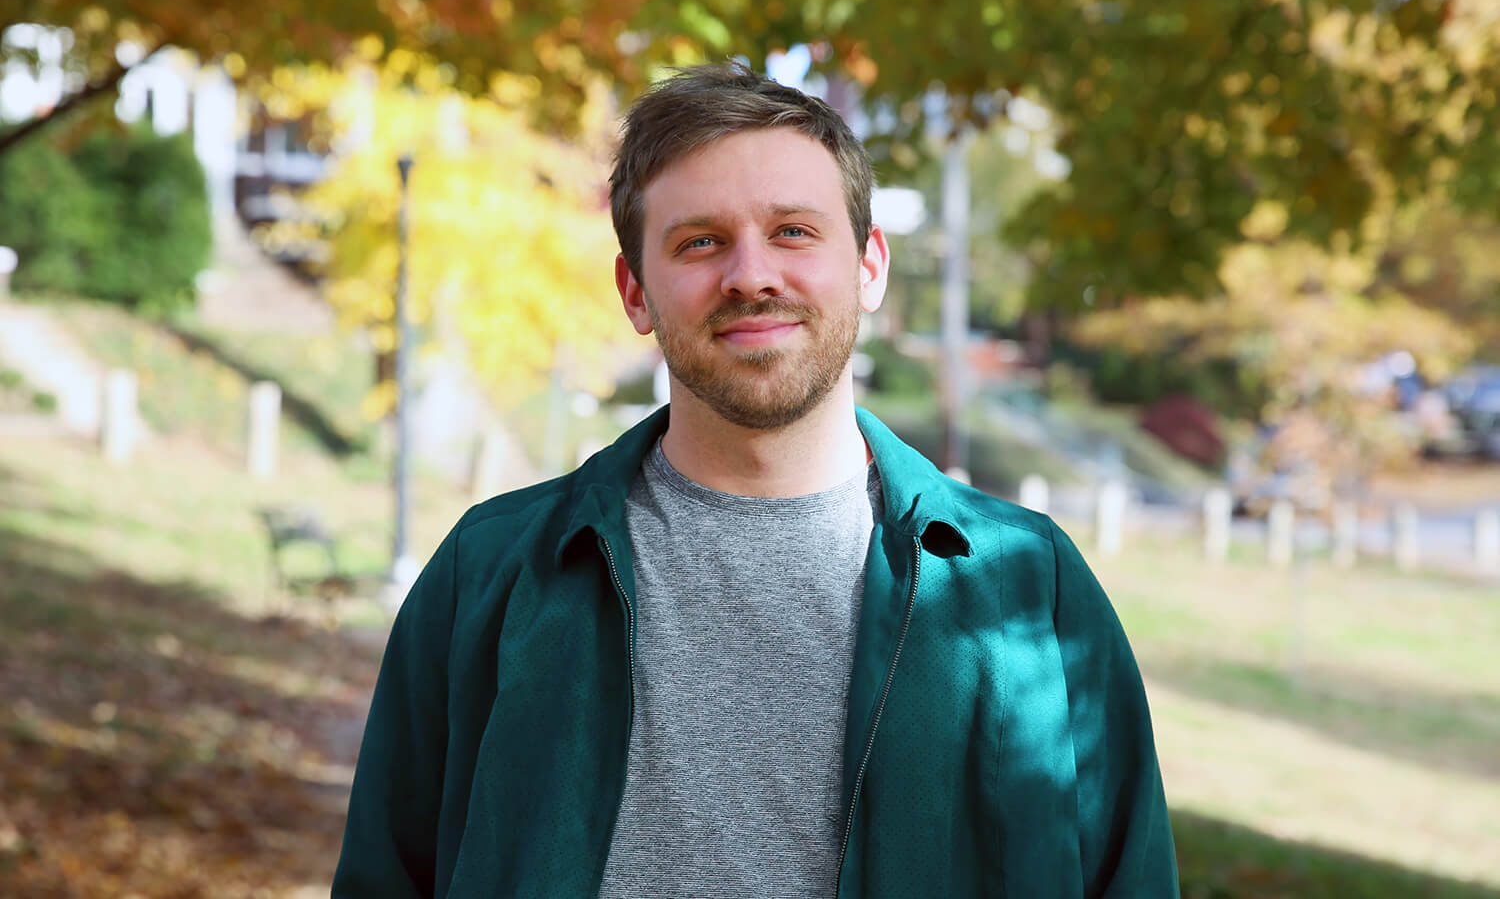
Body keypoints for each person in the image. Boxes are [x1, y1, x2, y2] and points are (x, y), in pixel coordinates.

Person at [333, 63, 1179, 898]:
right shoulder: (491, 575)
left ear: (870, 266)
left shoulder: (1028, 586)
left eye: (794, 232)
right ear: (635, 291)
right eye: (700, 241)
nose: (750, 275)